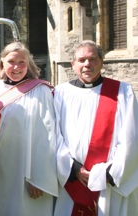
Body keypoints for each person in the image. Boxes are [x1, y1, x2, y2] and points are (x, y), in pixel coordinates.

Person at [54, 40, 138, 216]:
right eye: (82, 60)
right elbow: (53, 135)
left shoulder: (123, 92)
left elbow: (132, 136)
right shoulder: (60, 93)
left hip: (110, 182)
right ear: (73, 64)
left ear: (102, 62)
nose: (87, 64)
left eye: (92, 59)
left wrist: (110, 172)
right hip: (72, 181)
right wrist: (73, 168)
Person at [0, 42, 58, 215]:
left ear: (29, 64)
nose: (16, 67)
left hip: (28, 170)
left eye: (22, 62)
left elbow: (47, 134)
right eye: (11, 62)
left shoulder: (41, 91)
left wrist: (39, 176)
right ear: (2, 62)